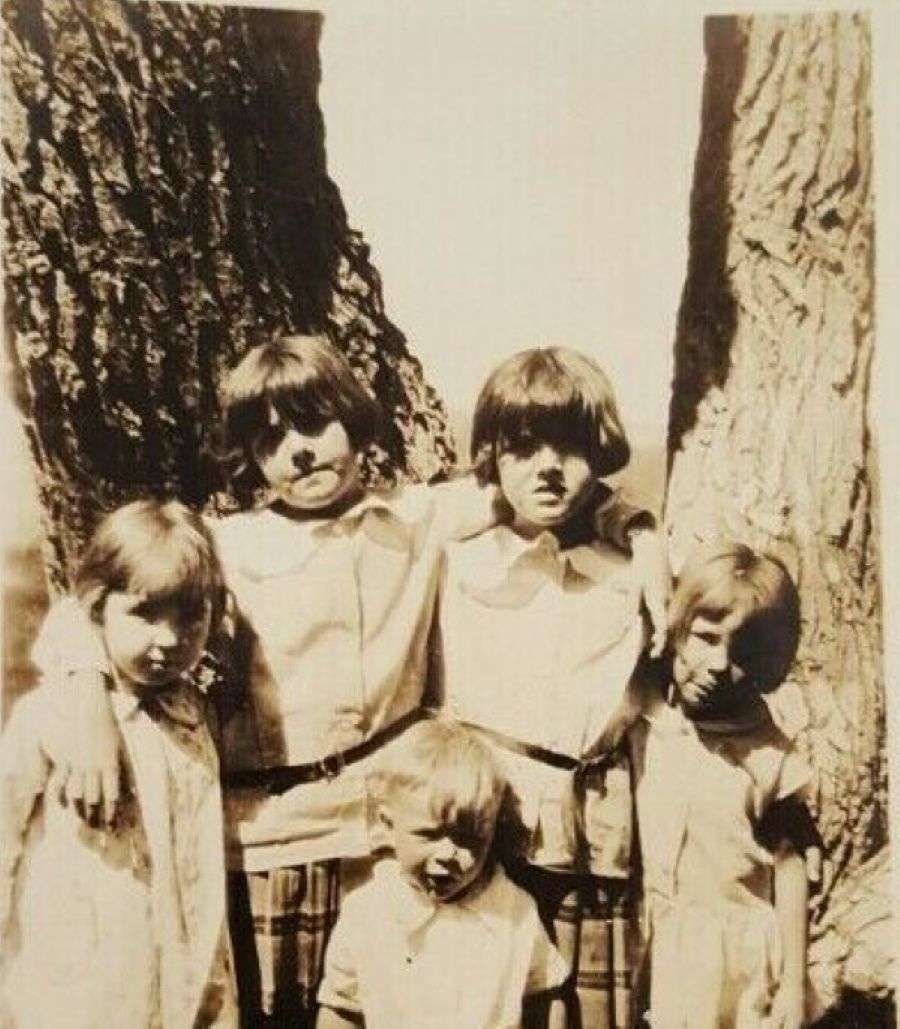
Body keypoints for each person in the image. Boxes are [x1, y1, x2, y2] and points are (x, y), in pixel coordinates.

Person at [34, 334, 665, 1028]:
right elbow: (86, 607)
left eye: (313, 424)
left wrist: (639, 527)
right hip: (272, 837)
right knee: (278, 1012)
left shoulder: (420, 517)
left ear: (356, 421)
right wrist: (88, 699)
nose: (298, 450)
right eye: (271, 439)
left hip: (385, 840)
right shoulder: (225, 543)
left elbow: (548, 483)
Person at [436, 346, 654, 1029]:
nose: (549, 466)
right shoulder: (456, 556)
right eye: (524, 446)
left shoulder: (631, 572)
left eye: (571, 445)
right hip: (482, 830)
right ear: (496, 454)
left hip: (594, 841)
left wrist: (644, 531)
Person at [0, 500, 237, 1029]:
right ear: (96, 608)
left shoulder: (192, 718)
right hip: (76, 986)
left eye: (189, 616)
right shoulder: (54, 715)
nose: (170, 640)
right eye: (144, 614)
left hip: (176, 979)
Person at [629, 543, 811, 1029]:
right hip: (656, 943)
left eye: (744, 654)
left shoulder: (769, 756)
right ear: (676, 629)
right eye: (706, 638)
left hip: (733, 962)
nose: (718, 665)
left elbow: (791, 865)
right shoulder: (650, 717)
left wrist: (794, 983)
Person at [316, 718, 568, 1029]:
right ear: (388, 824)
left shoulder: (515, 911)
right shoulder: (367, 913)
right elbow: (341, 1010)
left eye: (469, 840)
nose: (448, 855)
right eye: (429, 835)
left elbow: (545, 996)